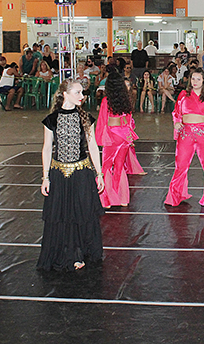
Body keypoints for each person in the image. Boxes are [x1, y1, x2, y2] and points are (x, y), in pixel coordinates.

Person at [39, 79, 105, 271]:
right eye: (77, 93)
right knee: (63, 215)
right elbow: (46, 149)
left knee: (81, 214)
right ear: (65, 94)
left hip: (81, 173)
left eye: (82, 93)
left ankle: (79, 251)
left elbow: (92, 146)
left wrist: (99, 173)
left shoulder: (85, 117)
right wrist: (45, 177)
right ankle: (66, 252)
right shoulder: (51, 119)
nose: (82, 96)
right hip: (59, 173)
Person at [165, 69, 204, 207]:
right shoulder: (183, 95)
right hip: (186, 134)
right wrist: (177, 122)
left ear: (203, 80)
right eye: (193, 79)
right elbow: (177, 113)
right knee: (181, 166)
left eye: (198, 79)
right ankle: (175, 196)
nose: (195, 82)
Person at [96, 72, 146, 208]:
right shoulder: (127, 100)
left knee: (106, 166)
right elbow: (129, 121)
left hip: (112, 135)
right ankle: (122, 198)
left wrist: (100, 139)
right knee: (119, 166)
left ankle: (106, 199)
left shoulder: (106, 101)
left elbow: (102, 121)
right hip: (124, 136)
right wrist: (130, 137)